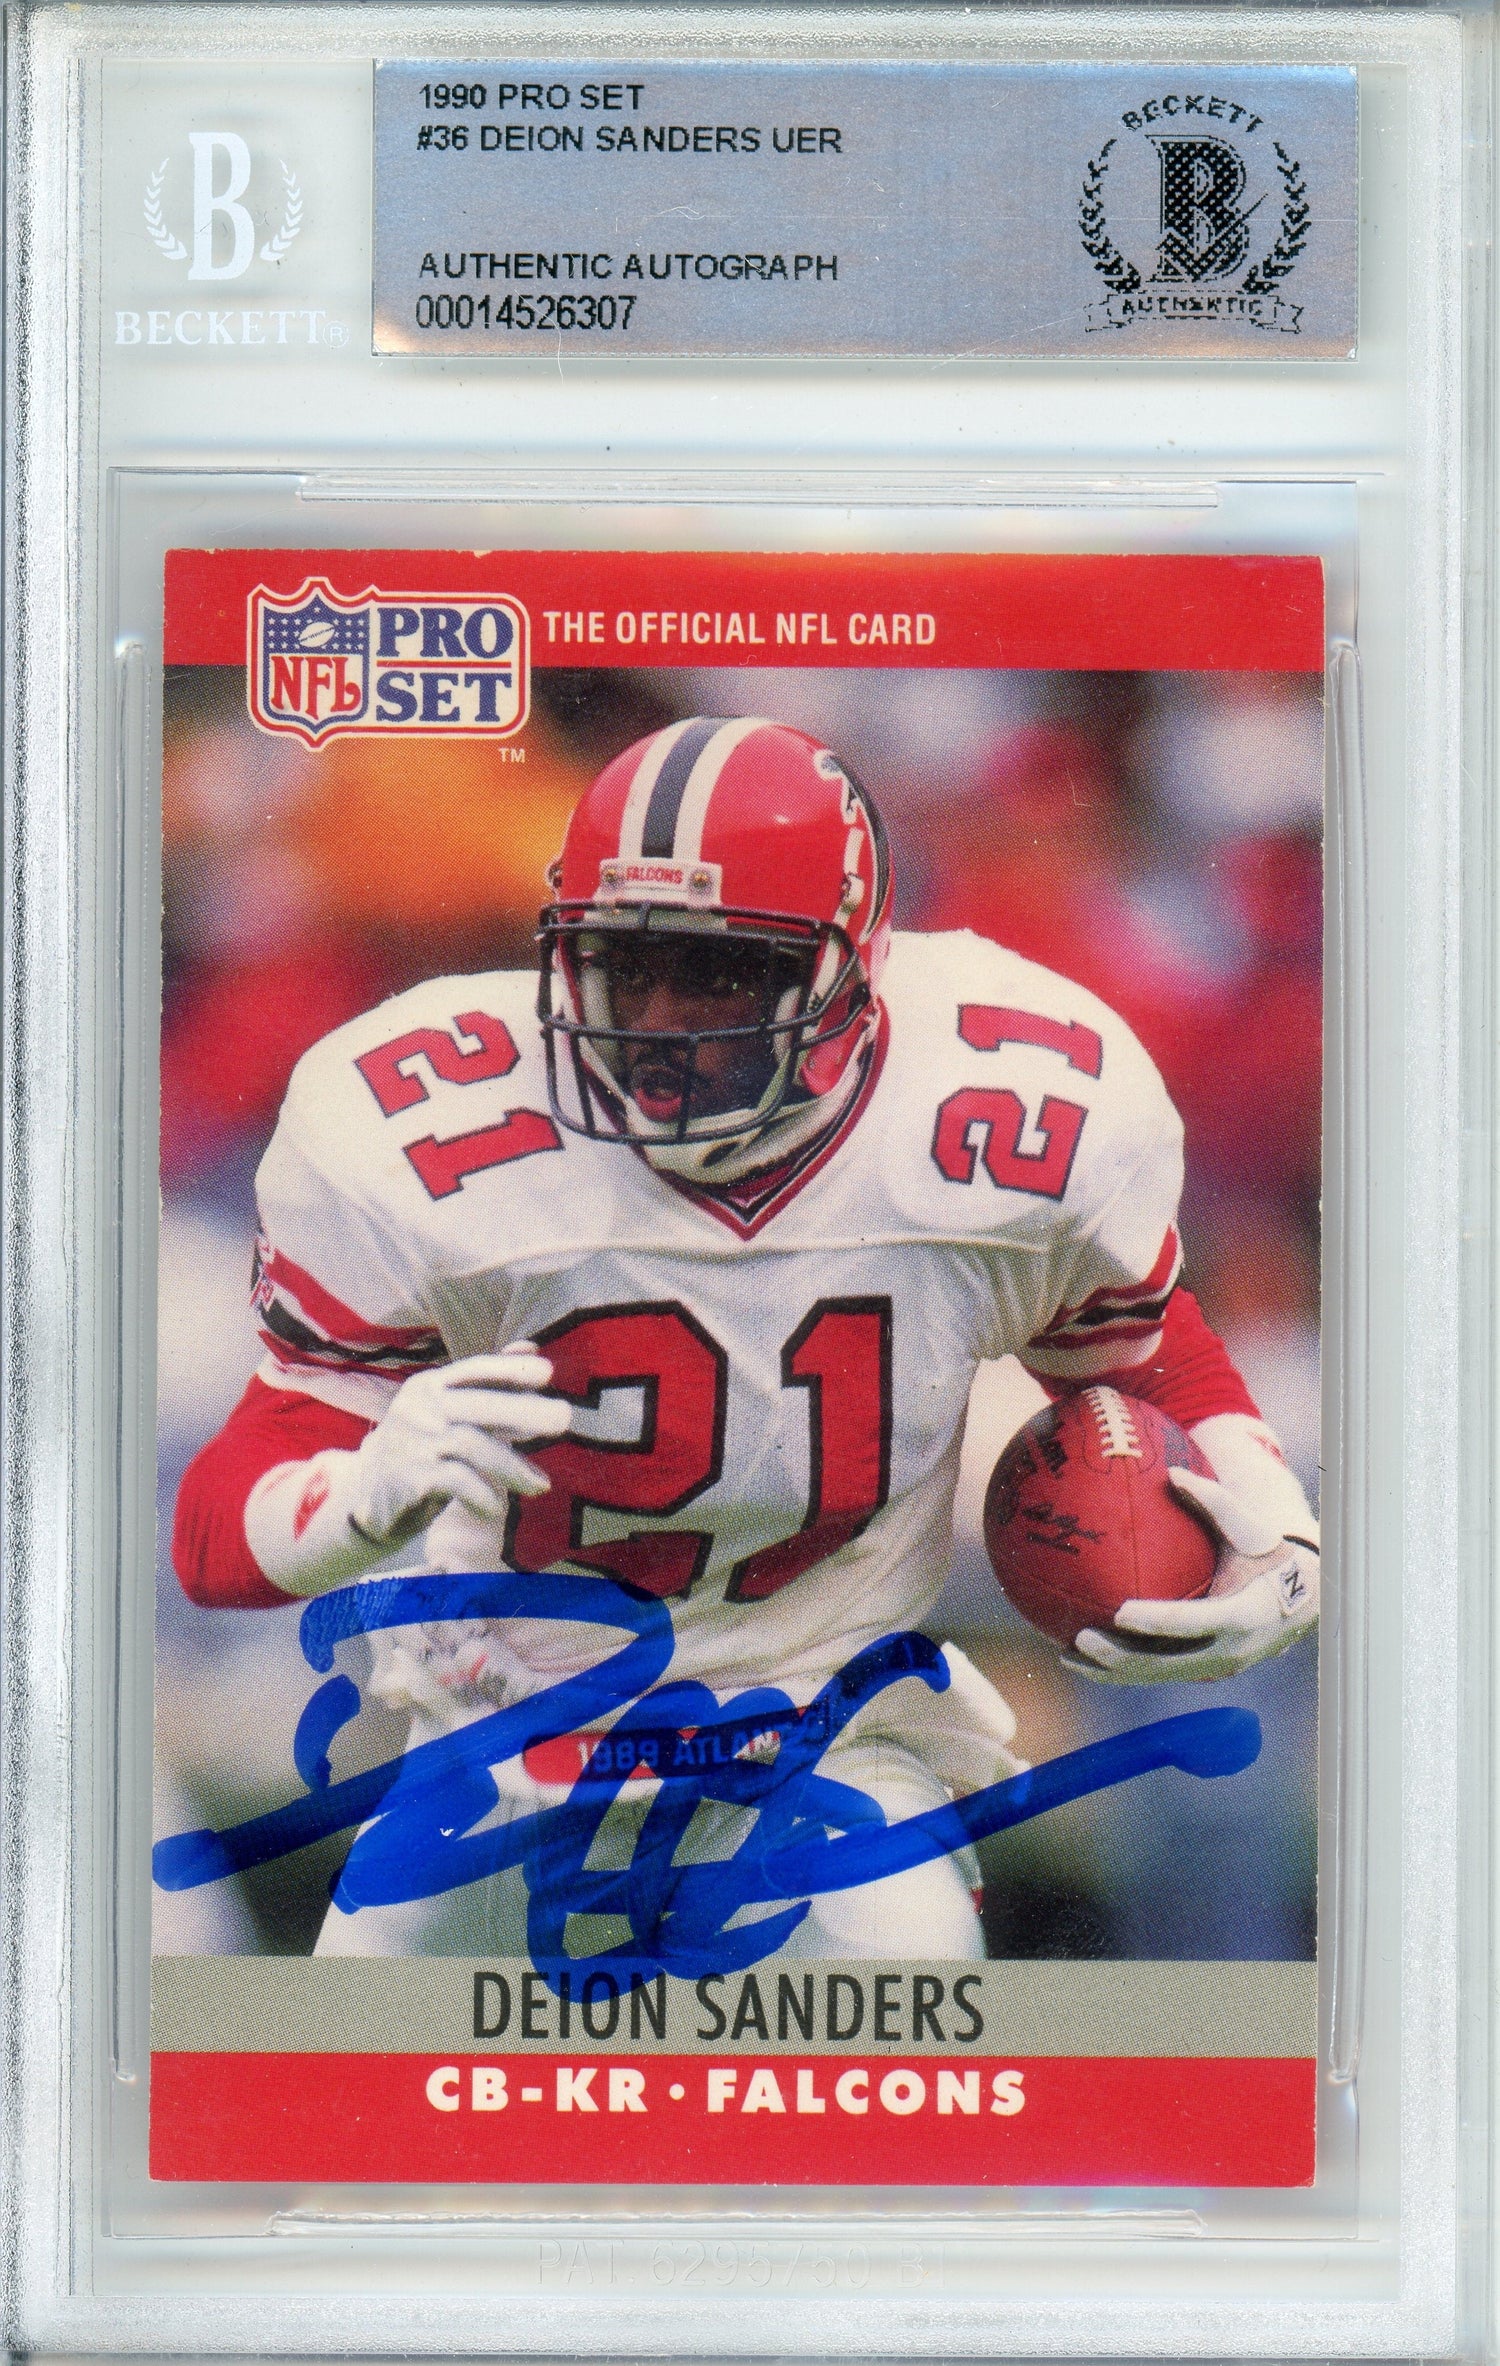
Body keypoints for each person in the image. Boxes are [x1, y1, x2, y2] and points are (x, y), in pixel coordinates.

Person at [172, 715, 1320, 1960]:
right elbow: (213, 1538)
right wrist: (355, 1498)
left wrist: (1277, 1532)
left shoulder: (1002, 1106)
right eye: (626, 963)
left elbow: (1152, 1358)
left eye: (720, 974)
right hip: (498, 1742)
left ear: (850, 971)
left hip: (825, 1740)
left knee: (911, 1991)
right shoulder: (427, 1126)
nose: (661, 1023)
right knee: (362, 2073)